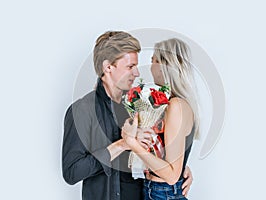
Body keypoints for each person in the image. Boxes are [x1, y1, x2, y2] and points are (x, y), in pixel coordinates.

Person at [62, 31, 193, 200]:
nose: (137, 73)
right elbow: (72, 173)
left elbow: (160, 153)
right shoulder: (81, 110)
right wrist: (122, 145)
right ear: (108, 67)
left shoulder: (141, 105)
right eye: (130, 67)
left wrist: (180, 168)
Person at [122, 38, 200, 200]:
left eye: (153, 60)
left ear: (165, 65)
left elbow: (171, 176)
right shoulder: (172, 103)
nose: (150, 66)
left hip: (163, 193)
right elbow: (173, 164)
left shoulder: (176, 105)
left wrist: (133, 145)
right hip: (157, 191)